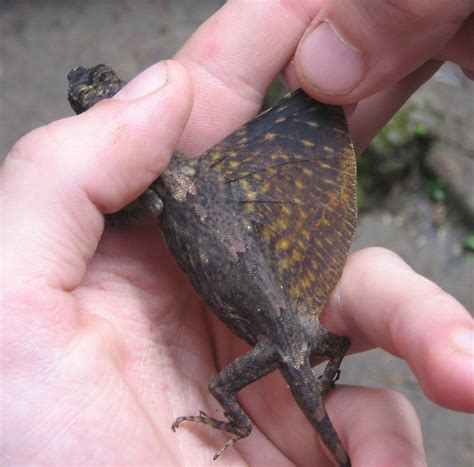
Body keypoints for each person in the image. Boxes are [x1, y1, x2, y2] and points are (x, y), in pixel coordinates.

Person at [2, 1, 473, 465]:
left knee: (220, 387)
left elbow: (141, 207)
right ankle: (291, 395)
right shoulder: (186, 167)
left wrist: (106, 216)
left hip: (276, 336)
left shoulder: (154, 194)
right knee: (322, 350)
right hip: (295, 325)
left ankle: (239, 425)